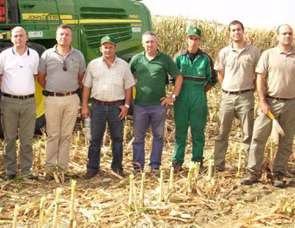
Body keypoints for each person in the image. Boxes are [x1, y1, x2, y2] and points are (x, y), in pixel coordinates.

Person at [241, 24, 295, 187]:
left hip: (291, 104)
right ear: (277, 36)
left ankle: (279, 173)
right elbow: (260, 78)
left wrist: (292, 89)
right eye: (284, 33)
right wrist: (262, 100)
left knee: (286, 140)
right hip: (270, 102)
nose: (287, 36)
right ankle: (253, 172)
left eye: (290, 34)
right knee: (258, 136)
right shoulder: (268, 55)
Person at [81, 35, 135, 179]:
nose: (108, 50)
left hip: (116, 107)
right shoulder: (93, 64)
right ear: (101, 49)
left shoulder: (123, 65)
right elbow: (86, 86)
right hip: (98, 106)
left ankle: (117, 168)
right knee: (95, 139)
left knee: (117, 139)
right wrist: (85, 105)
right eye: (105, 47)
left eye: (111, 47)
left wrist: (126, 105)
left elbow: (129, 87)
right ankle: (92, 168)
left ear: (114, 48)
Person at [129, 31, 183, 175]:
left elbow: (178, 77)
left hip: (158, 106)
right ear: (142, 44)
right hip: (140, 105)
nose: (149, 44)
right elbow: (127, 78)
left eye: (152, 41)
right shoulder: (136, 59)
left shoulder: (164, 59)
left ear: (157, 43)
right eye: (147, 42)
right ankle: (137, 168)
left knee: (158, 137)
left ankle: (155, 167)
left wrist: (172, 97)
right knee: (139, 138)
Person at [38, 24, 86, 179]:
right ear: (56, 37)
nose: (64, 37)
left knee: (66, 135)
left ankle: (63, 168)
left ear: (71, 37)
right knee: (52, 134)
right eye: (61, 34)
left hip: (72, 99)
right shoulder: (46, 55)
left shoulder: (78, 55)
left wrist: (70, 90)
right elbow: (40, 78)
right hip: (52, 99)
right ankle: (50, 169)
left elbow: (81, 78)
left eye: (67, 34)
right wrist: (53, 89)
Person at [213, 21, 261, 172]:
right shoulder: (224, 52)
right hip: (227, 97)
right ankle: (218, 165)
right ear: (230, 33)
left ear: (243, 31)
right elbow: (220, 74)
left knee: (248, 134)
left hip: (246, 97)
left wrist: (249, 89)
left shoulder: (253, 51)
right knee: (222, 133)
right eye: (233, 30)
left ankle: (250, 167)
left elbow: (259, 75)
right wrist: (227, 89)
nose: (236, 33)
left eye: (238, 30)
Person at [171, 26, 217, 172]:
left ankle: (197, 161)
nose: (193, 41)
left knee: (198, 130)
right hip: (181, 96)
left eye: (196, 39)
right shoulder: (179, 57)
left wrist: (201, 92)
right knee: (181, 131)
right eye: (191, 38)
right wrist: (178, 93)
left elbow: (212, 80)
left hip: (199, 97)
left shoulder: (205, 58)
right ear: (186, 39)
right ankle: (177, 161)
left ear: (200, 40)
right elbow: (172, 78)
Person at [0, 26, 39, 180]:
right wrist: (9, 90)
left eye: (21, 35)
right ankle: (11, 171)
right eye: (15, 36)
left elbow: (34, 76)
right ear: (11, 39)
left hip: (29, 102)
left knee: (27, 138)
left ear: (26, 37)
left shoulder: (33, 55)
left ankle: (27, 170)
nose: (19, 39)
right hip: (9, 102)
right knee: (9, 138)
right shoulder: (4, 55)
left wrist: (23, 90)